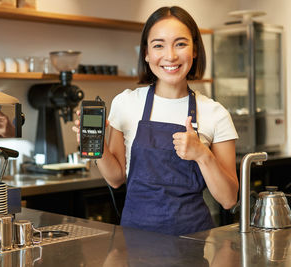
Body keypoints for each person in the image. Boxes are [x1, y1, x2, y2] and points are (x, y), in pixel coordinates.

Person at [73, 6, 239, 235]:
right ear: (146, 53)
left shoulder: (215, 113)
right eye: (158, 45)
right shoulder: (125, 103)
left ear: (195, 51)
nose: (170, 56)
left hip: (192, 243)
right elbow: (116, 178)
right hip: (135, 241)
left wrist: (202, 154)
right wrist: (98, 146)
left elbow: (229, 199)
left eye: (180, 44)